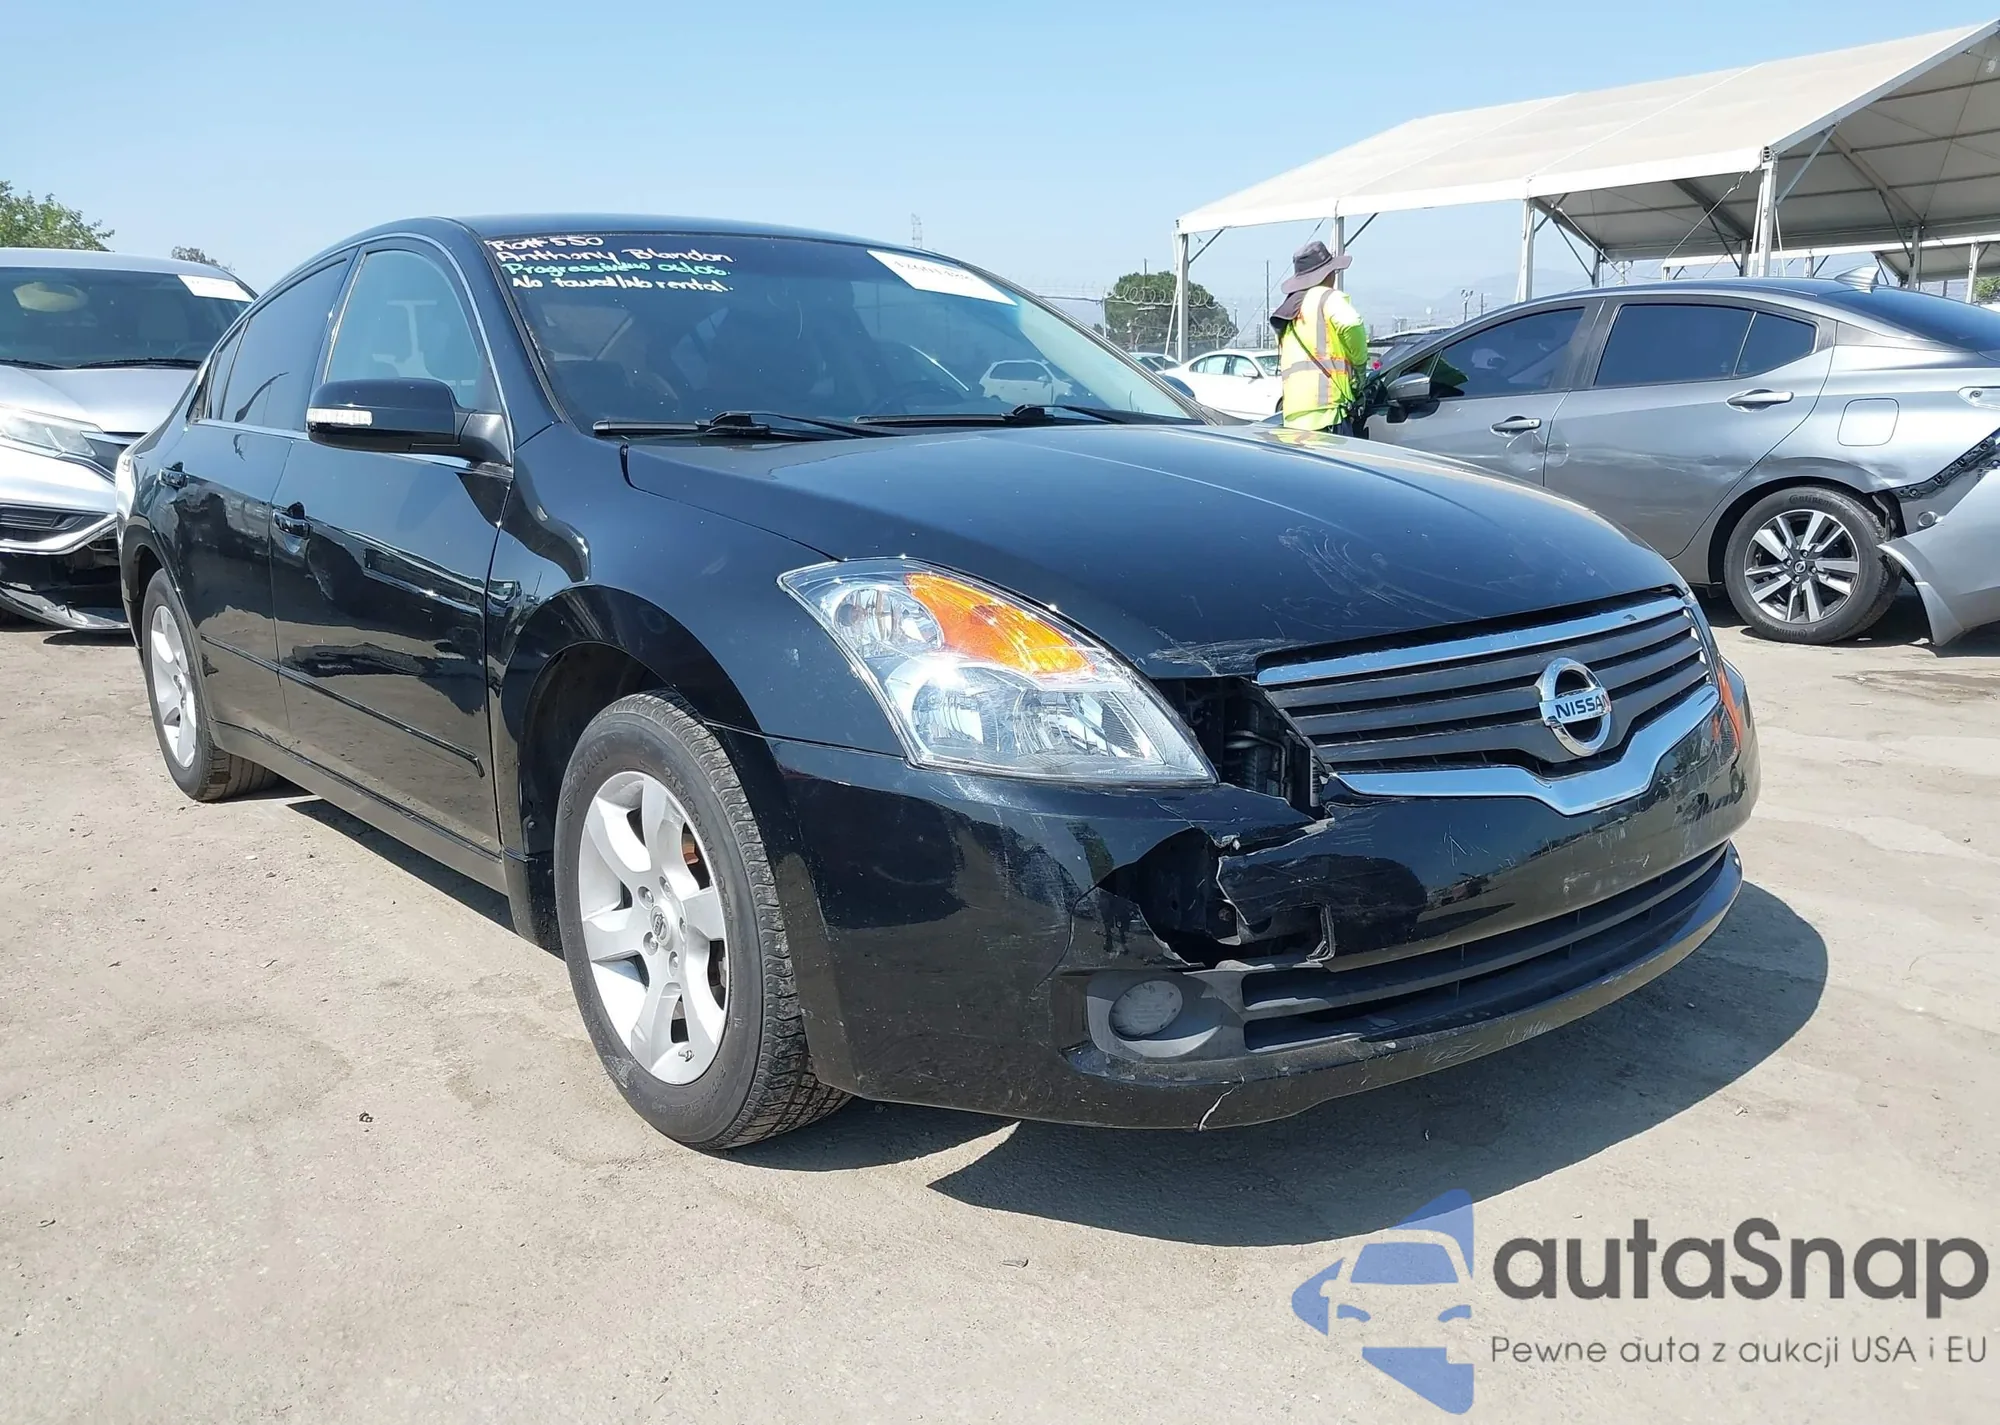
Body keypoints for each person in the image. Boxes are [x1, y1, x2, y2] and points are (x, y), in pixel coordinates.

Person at [1271, 239, 1368, 433]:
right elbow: (1351, 323)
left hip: (1293, 417)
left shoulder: (1287, 311)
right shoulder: (1326, 297)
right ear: (1327, 274)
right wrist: (1360, 367)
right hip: (1327, 413)